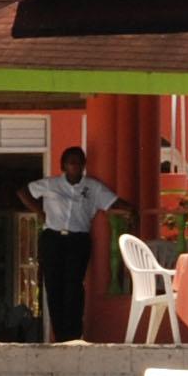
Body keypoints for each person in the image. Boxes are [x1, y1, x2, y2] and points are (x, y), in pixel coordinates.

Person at [25, 145, 118, 342]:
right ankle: (59, 335)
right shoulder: (51, 184)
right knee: (53, 285)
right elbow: (23, 192)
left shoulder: (93, 187)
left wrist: (132, 210)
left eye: (79, 162)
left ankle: (74, 334)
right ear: (63, 165)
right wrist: (39, 212)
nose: (75, 165)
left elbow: (113, 202)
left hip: (78, 240)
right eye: (71, 162)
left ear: (84, 165)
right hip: (53, 238)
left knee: (74, 286)